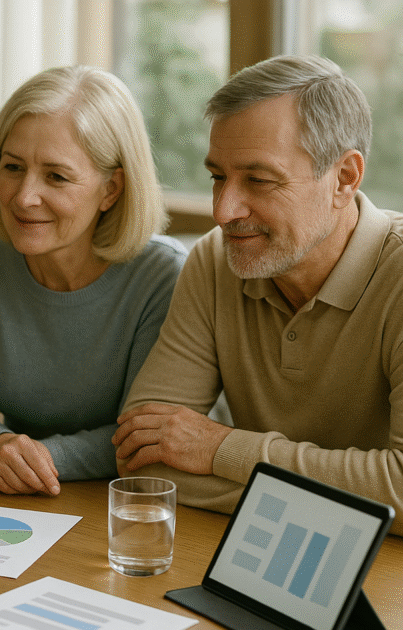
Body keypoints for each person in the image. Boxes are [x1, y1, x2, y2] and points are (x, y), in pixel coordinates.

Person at [113, 55, 403, 534]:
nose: (224, 211)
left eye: (260, 180)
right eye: (217, 177)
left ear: (345, 178)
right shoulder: (213, 261)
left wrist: (223, 451)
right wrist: (355, 504)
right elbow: (144, 463)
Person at [0, 65, 186, 496]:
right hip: (16, 501)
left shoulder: (163, 278)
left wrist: (36, 460)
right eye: (12, 167)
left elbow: (142, 438)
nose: (24, 196)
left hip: (120, 505)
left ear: (111, 189)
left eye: (56, 176)